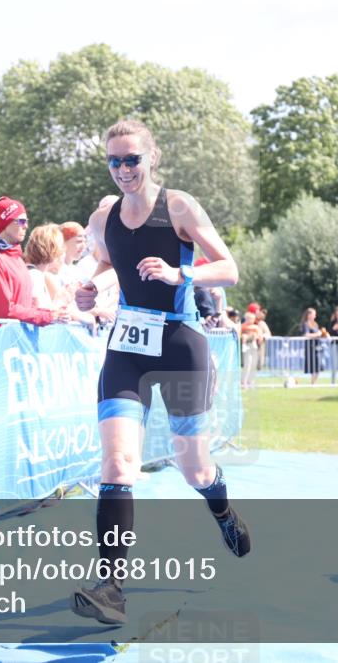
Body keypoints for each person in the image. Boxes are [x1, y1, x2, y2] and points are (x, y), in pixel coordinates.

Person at [71, 119, 247, 625]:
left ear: (153, 158)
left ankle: (221, 508)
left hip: (179, 342)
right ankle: (111, 588)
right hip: (128, 345)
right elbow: (107, 265)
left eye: (132, 159)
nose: (123, 170)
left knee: (194, 468)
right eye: (114, 161)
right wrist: (91, 289)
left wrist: (180, 274)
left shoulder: (179, 207)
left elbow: (229, 268)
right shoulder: (103, 217)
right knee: (118, 464)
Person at [0, 196, 68, 325]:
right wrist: (48, 316)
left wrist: (53, 314)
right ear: (6, 223)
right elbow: (6, 309)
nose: (26, 226)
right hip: (1, 337)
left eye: (26, 221)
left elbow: (27, 305)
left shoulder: (17, 258)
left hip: (17, 335)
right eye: (20, 221)